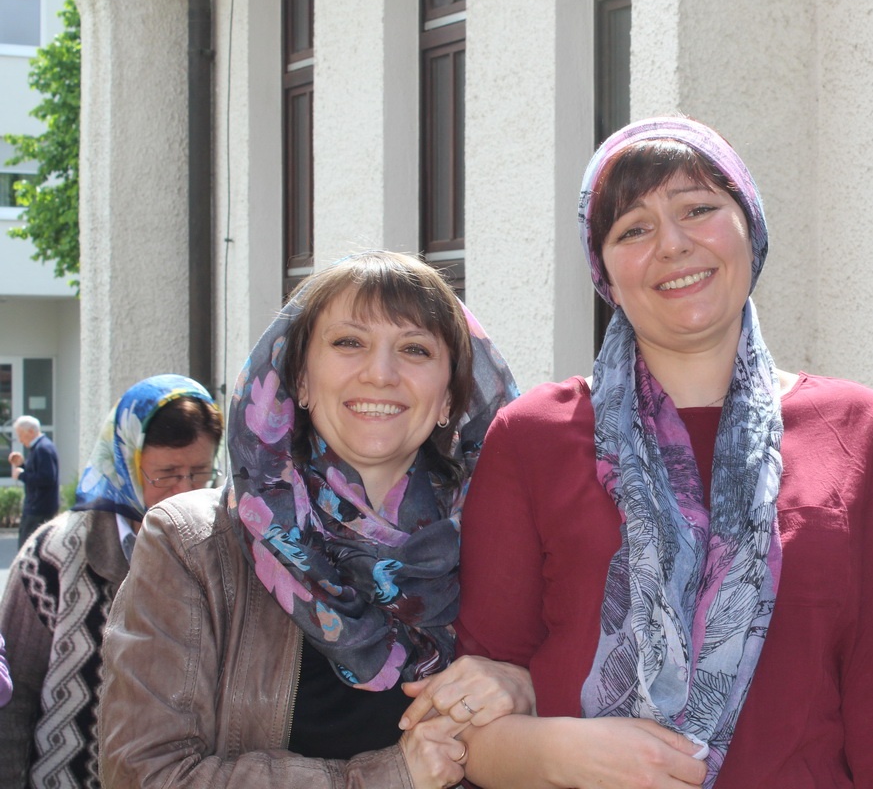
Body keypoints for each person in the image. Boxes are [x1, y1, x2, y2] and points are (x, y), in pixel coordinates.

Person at [410, 117, 873, 788]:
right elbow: (476, 722)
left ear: (750, 228)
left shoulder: (856, 426)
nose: (672, 244)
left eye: (698, 209)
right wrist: (573, 754)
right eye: (633, 229)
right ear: (605, 272)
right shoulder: (532, 437)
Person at [99, 251, 528, 789]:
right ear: (299, 380)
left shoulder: (508, 542)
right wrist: (388, 777)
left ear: (450, 397)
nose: (380, 373)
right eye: (349, 342)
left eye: (415, 349)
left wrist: (527, 690)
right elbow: (142, 773)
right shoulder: (192, 545)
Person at [0, 374, 223, 787]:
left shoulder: (225, 555)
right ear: (126, 463)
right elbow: (13, 701)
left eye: (200, 472)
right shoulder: (53, 556)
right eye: (166, 474)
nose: (185, 490)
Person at [9, 415, 59, 547]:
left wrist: (22, 475)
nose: (20, 440)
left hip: (39, 508)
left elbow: (47, 478)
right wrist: (22, 465)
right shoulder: (39, 448)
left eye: (21, 435)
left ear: (31, 431)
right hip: (36, 506)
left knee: (28, 548)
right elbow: (38, 473)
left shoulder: (43, 448)